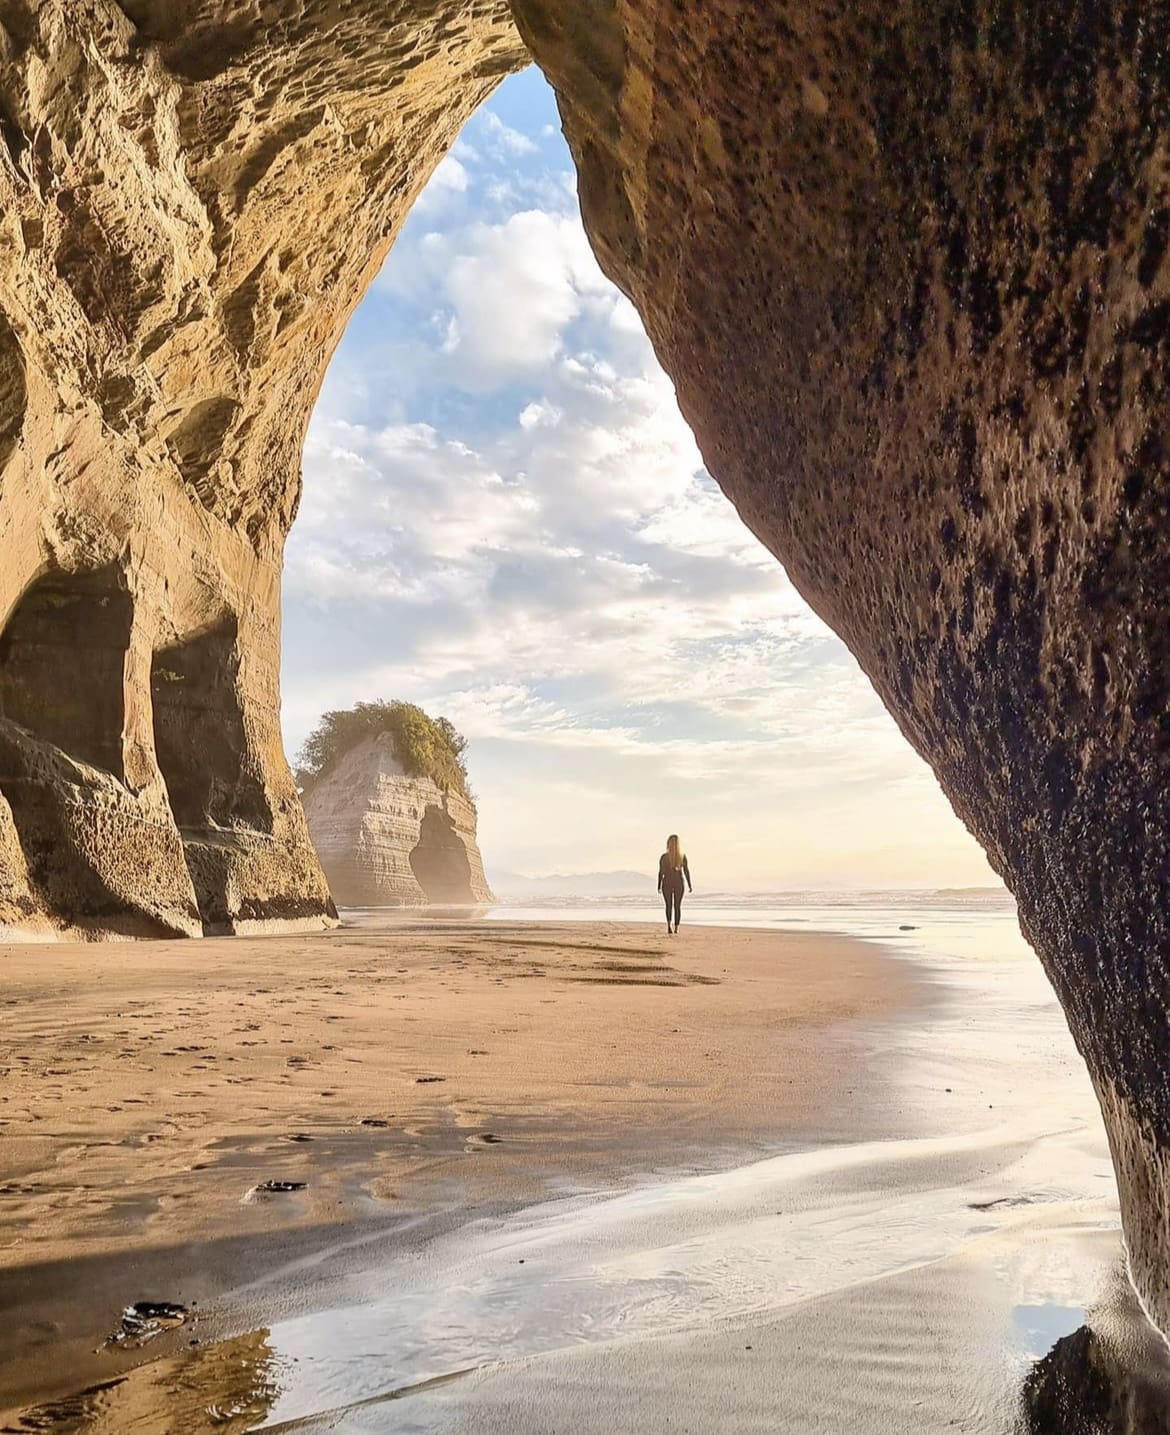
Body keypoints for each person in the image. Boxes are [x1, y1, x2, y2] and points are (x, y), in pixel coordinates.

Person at [657, 834, 692, 934]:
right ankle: (676, 928)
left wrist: (659, 886)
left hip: (667, 882)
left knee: (668, 905)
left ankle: (669, 925)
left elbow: (661, 872)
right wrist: (690, 884)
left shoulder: (664, 857)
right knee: (677, 906)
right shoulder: (682, 856)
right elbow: (686, 871)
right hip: (679, 883)